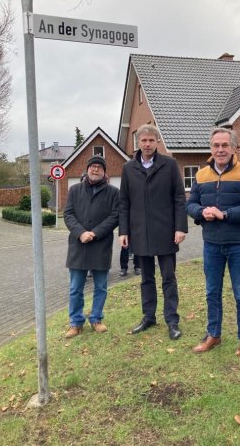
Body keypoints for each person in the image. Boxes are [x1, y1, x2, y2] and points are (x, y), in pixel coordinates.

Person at [186, 127, 240, 360]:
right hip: (211, 244)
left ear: (233, 147)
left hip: (239, 244)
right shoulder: (201, 176)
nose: (220, 150)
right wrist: (202, 212)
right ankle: (213, 334)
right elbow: (190, 204)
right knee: (212, 292)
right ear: (211, 148)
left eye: (224, 145)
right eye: (216, 146)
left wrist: (225, 214)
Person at [119, 124, 187, 341]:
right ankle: (149, 317)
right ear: (137, 143)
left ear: (157, 141)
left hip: (166, 231)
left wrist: (180, 227)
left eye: (151, 140)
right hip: (139, 233)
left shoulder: (169, 164)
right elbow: (124, 202)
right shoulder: (128, 168)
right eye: (143, 140)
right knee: (146, 278)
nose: (147, 144)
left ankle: (172, 320)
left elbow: (179, 197)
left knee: (168, 278)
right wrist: (124, 231)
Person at [64, 155, 119, 338]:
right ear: (87, 169)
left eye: (99, 167)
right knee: (75, 288)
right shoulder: (74, 190)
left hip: (100, 245)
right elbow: (68, 214)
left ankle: (96, 319)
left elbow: (115, 216)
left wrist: (95, 233)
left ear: (104, 172)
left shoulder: (113, 193)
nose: (96, 170)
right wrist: (81, 233)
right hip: (78, 245)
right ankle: (76, 323)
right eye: (93, 167)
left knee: (101, 286)